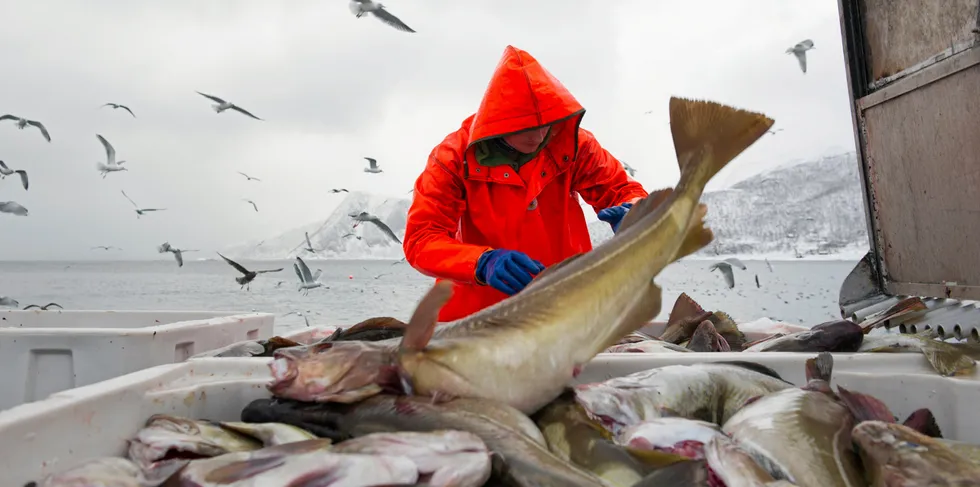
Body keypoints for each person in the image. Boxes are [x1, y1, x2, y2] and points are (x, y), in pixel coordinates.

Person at [403, 45, 649, 322]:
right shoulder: (451, 157)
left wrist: (637, 212)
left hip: (568, 311)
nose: (538, 135)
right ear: (496, 119)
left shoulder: (574, 144)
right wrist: (481, 263)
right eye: (524, 125)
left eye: (546, 123)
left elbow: (622, 190)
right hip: (476, 320)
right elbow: (421, 239)